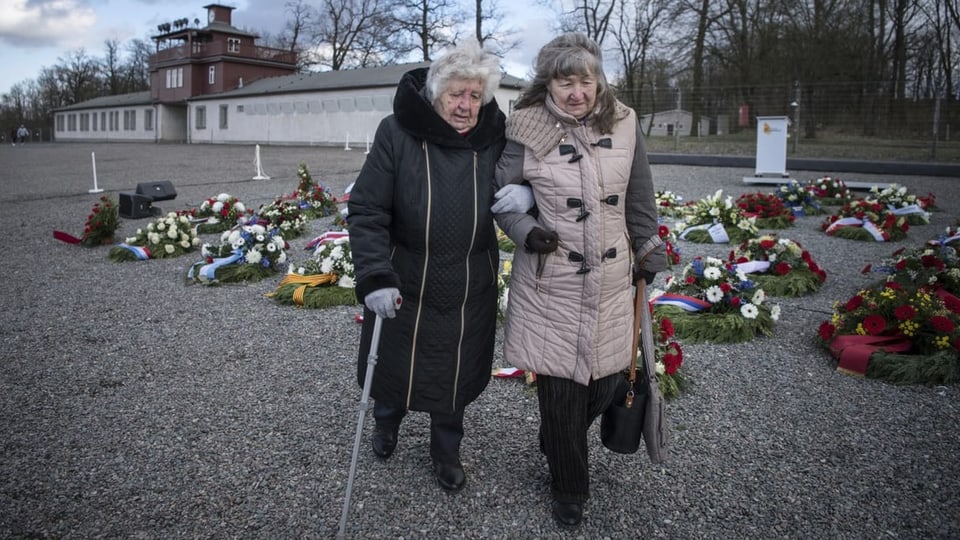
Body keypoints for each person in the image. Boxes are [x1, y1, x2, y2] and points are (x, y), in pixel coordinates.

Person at [492, 32, 667, 527]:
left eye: (584, 81)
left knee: (608, 379)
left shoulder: (625, 122)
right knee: (562, 388)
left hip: (612, 279)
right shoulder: (527, 125)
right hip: (554, 281)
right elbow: (500, 195)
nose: (576, 92)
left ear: (598, 81)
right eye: (565, 81)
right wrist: (526, 228)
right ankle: (569, 488)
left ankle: (556, 438)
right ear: (549, 82)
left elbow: (639, 196)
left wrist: (649, 247)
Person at [347, 39, 531, 493]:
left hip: (468, 284)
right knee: (395, 368)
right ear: (435, 94)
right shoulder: (397, 132)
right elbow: (368, 210)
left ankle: (446, 451)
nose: (465, 105)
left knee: (455, 376)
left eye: (474, 95)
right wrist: (374, 275)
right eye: (456, 94)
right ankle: (386, 424)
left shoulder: (496, 138)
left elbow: (541, 170)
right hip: (404, 279)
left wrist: (528, 192)